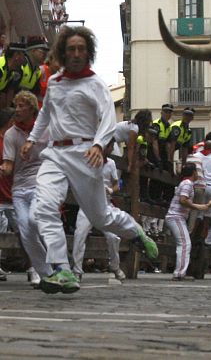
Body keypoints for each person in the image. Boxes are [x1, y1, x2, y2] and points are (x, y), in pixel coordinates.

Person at [21, 26, 158, 294]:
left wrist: (98, 145)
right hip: (54, 153)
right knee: (43, 209)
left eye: (81, 49)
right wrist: (31, 140)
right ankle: (61, 268)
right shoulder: (56, 84)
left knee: (101, 217)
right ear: (63, 52)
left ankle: (135, 232)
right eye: (71, 49)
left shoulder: (95, 84)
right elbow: (45, 115)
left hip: (85, 154)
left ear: (88, 53)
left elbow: (108, 118)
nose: (75, 54)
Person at [2, 92, 53, 288]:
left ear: (32, 109)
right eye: (16, 105)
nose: (18, 109)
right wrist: (3, 169)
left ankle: (52, 266)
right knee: (25, 229)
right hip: (19, 188)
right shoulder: (11, 134)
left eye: (22, 106)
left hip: (41, 184)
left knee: (34, 220)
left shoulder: (45, 130)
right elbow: (8, 166)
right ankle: (44, 273)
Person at [71, 143, 126, 282]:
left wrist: (112, 190)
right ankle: (77, 270)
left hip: (104, 205)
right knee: (80, 234)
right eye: (109, 146)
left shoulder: (111, 163)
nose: (111, 149)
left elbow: (116, 183)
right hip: (87, 205)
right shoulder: (88, 159)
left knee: (113, 237)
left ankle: (115, 266)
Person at [165, 163, 211, 281]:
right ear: (193, 173)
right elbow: (183, 200)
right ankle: (179, 273)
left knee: (184, 244)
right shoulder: (187, 184)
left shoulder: (185, 183)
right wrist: (200, 207)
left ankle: (180, 272)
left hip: (177, 217)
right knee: (185, 244)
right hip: (176, 216)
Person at [0, 107, 16, 282]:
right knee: (0, 229)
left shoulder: (13, 140)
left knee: (25, 229)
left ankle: (34, 267)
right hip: (1, 193)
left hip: (14, 192)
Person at [152, 103, 174, 171]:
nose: (168, 114)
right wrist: (158, 160)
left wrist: (169, 160)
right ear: (161, 113)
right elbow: (154, 143)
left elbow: (168, 145)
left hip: (162, 153)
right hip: (153, 153)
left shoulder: (168, 127)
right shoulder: (156, 124)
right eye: (166, 112)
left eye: (170, 112)